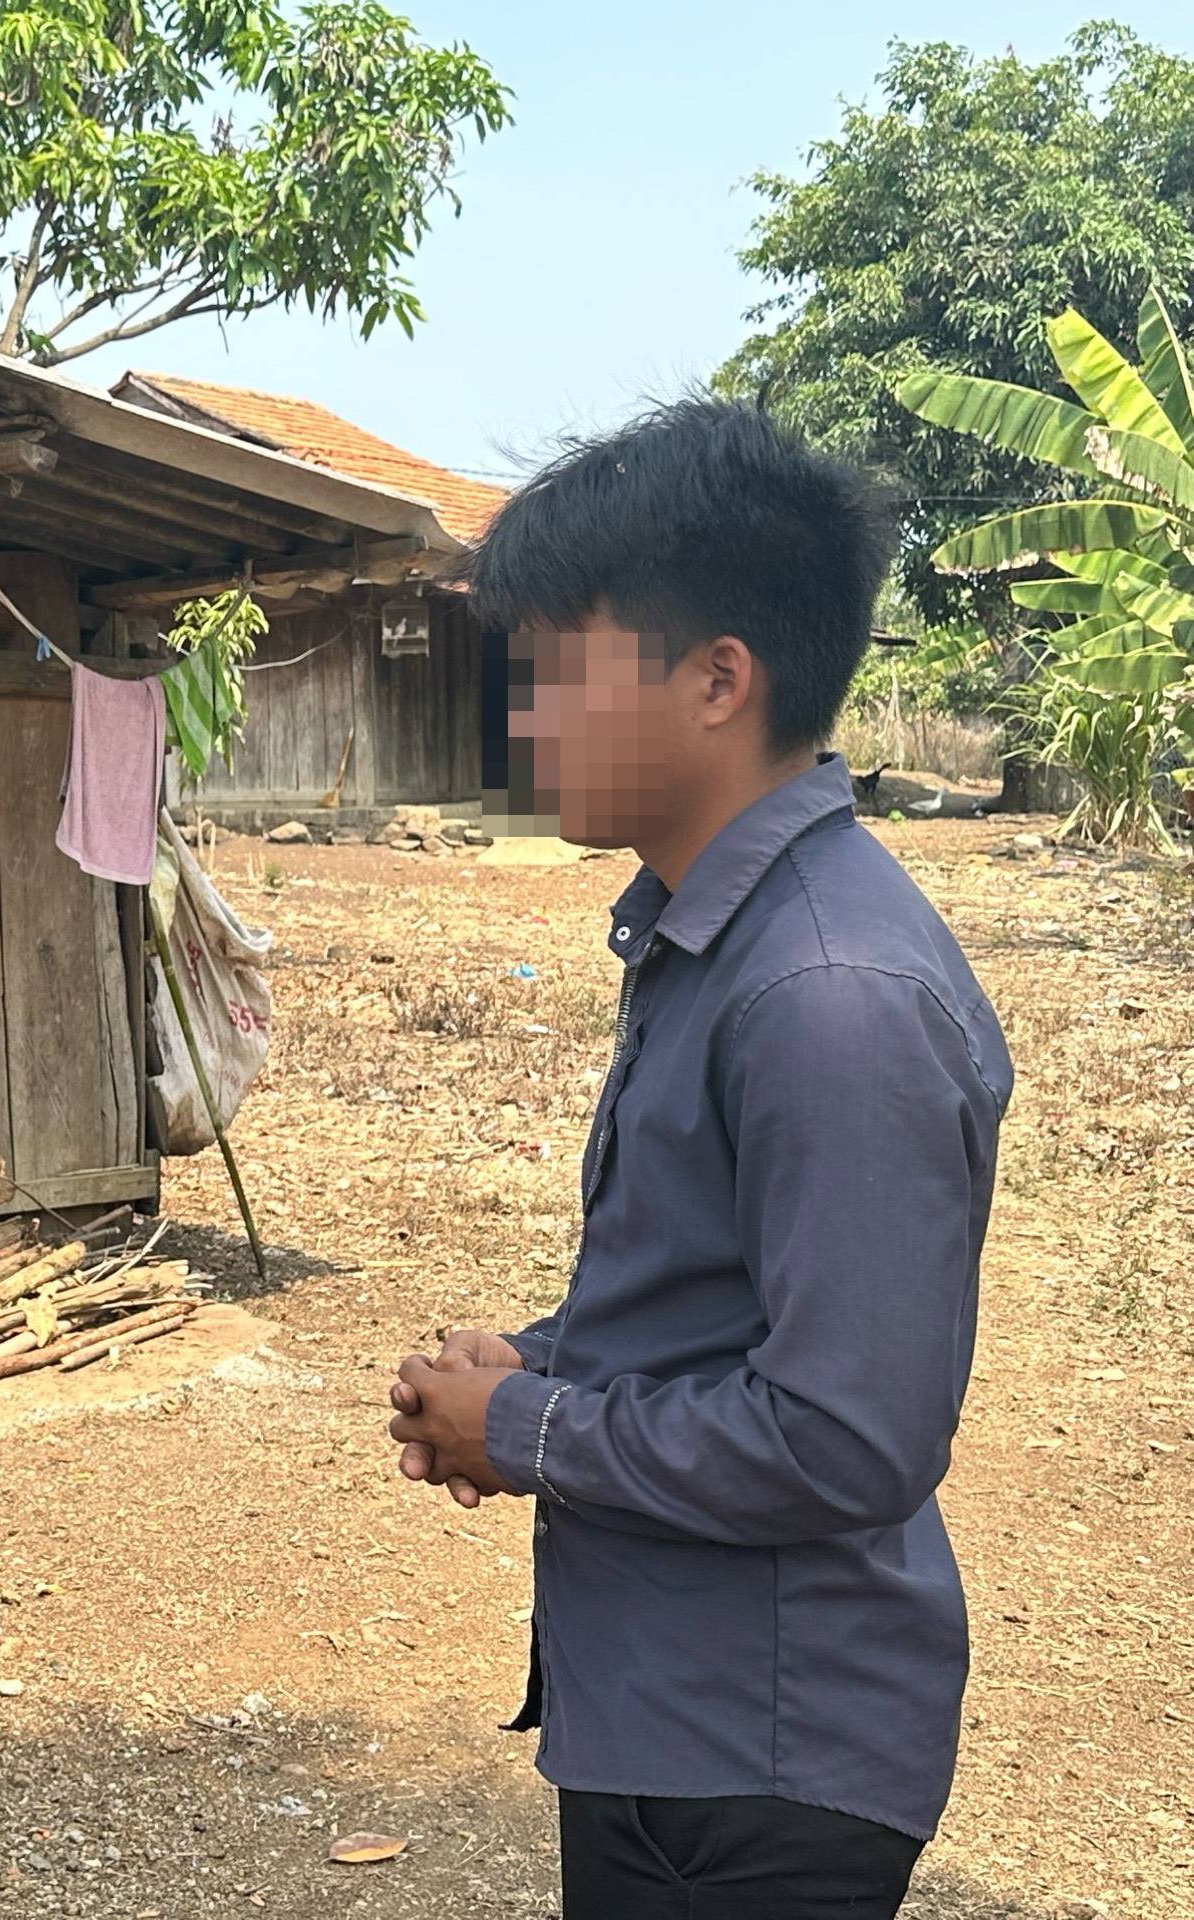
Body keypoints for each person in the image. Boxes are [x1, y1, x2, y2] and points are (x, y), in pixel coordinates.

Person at [385, 399, 1013, 1917]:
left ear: (717, 679)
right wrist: (537, 1363)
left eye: (549, 673)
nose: (521, 718)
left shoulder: (826, 994)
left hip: (758, 1769)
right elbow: (725, 1307)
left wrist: (527, 1428)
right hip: (684, 1719)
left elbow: (848, 1437)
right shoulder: (711, 942)